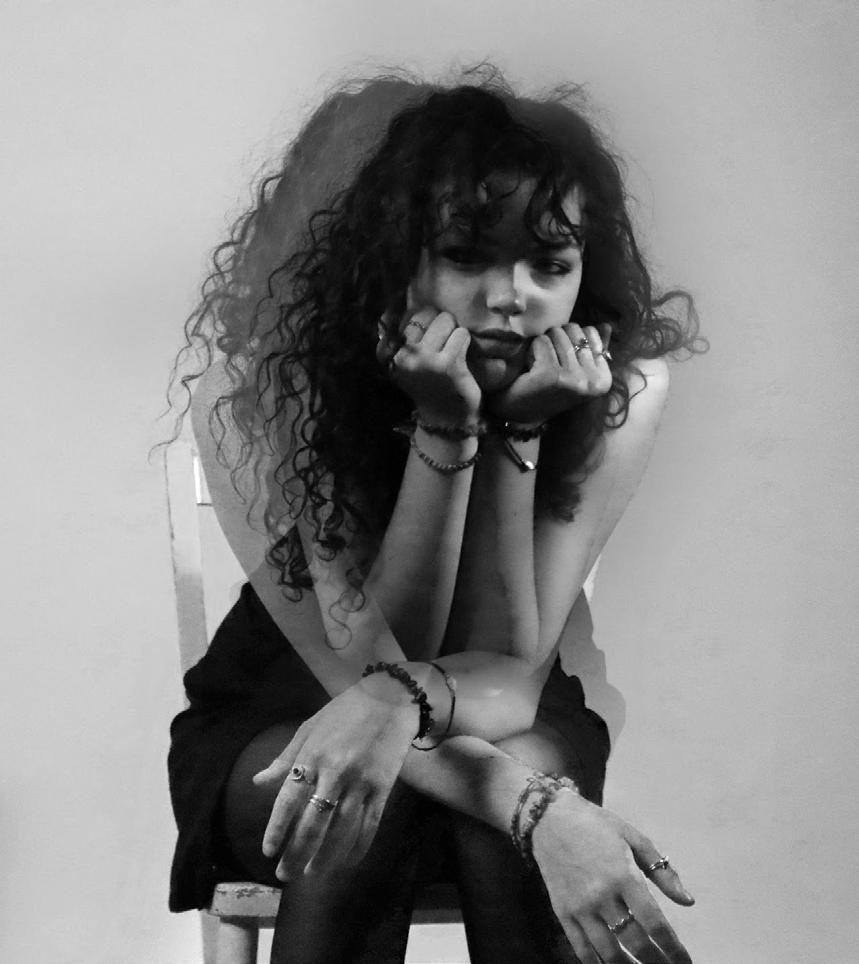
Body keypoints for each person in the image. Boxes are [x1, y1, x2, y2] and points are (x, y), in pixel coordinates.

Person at [167, 68, 701, 964]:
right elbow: (365, 673)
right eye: (464, 256)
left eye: (550, 263)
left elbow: (509, 673)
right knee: (368, 804)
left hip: (506, 706)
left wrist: (516, 428)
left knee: (501, 764)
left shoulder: (622, 385)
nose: (512, 295)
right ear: (395, 256)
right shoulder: (263, 384)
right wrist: (536, 809)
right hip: (292, 708)